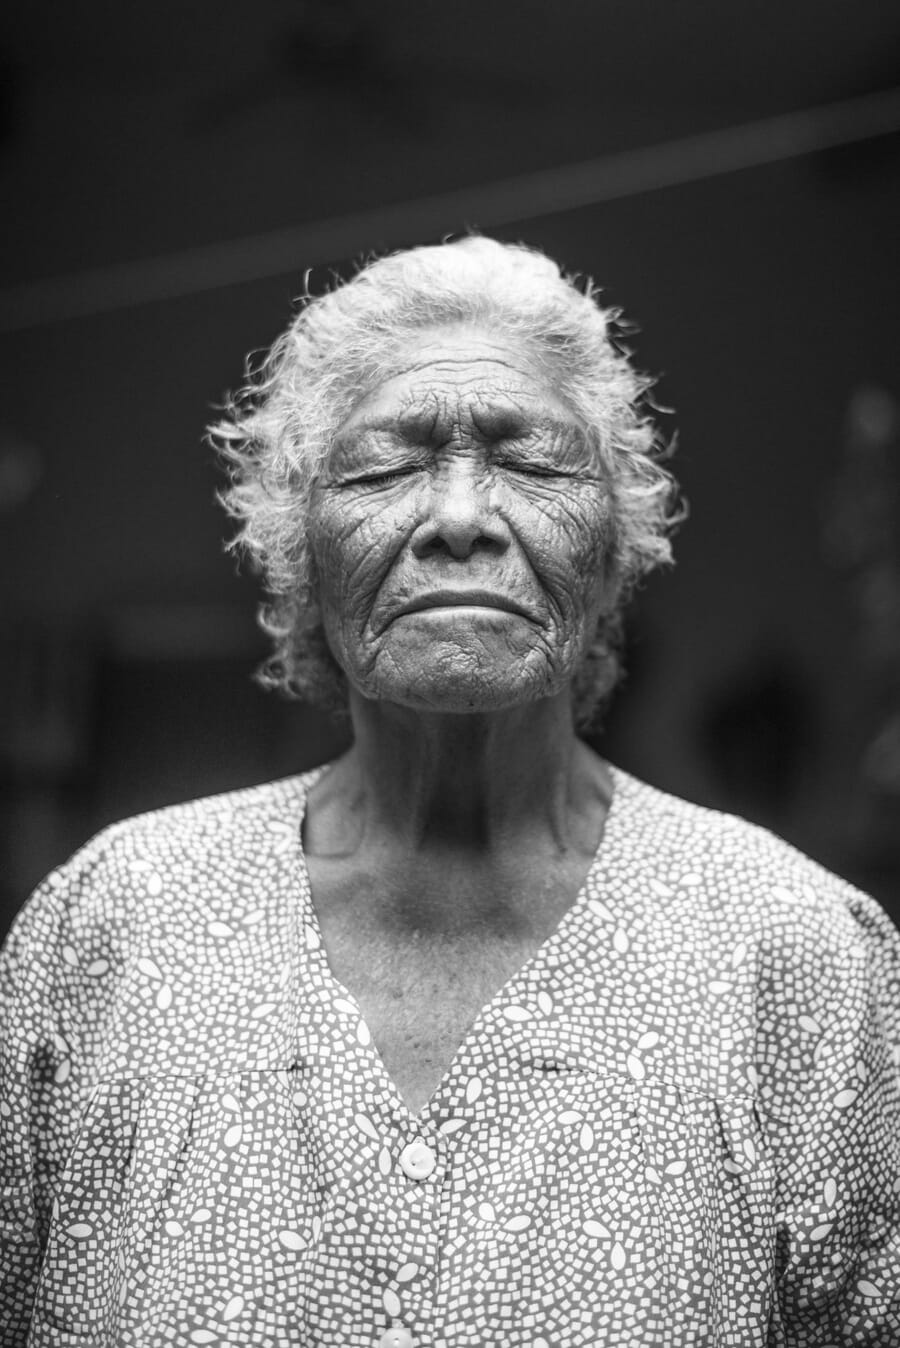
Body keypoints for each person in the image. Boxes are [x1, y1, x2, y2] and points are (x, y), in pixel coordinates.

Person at [2, 236, 899, 1348]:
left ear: (614, 547)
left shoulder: (796, 949)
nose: (462, 516)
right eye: (387, 465)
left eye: (531, 463)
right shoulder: (115, 921)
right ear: (298, 549)